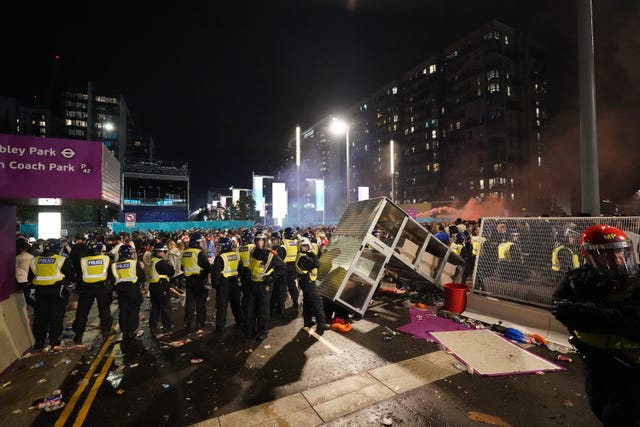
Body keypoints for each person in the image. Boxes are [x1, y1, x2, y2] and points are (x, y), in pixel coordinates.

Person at [552, 224, 640, 425]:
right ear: (591, 257)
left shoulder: (636, 279)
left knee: (619, 416)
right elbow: (560, 308)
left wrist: (586, 312)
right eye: (608, 253)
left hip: (632, 365)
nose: (617, 257)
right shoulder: (577, 279)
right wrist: (604, 313)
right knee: (598, 404)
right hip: (596, 361)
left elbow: (631, 320)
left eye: (620, 250)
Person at [28, 238, 75, 350]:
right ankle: (54, 341)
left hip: (40, 292)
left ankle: (39, 341)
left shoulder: (35, 260)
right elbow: (70, 276)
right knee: (56, 316)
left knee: (40, 317)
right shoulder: (61, 260)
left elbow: (30, 278)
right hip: (57, 292)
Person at [240, 232, 286, 340]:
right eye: (257, 240)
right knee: (250, 309)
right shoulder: (252, 252)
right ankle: (250, 330)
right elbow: (250, 266)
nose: (259, 242)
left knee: (263, 310)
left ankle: (262, 332)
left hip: (265, 286)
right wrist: (246, 274)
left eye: (261, 240)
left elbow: (282, 267)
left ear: (265, 242)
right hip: (252, 284)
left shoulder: (271, 254)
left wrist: (271, 277)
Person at [72, 239, 113, 344]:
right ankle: (106, 331)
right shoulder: (106, 259)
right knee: (104, 311)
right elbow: (110, 274)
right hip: (102, 288)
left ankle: (78, 335)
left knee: (82, 313)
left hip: (87, 289)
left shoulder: (83, 260)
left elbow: (78, 275)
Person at [111, 244, 146, 340]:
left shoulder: (115, 265)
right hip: (132, 289)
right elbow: (142, 276)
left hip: (120, 290)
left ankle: (124, 331)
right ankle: (132, 330)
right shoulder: (133, 263)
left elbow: (112, 278)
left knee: (123, 311)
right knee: (133, 311)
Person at [295, 237, 330, 331]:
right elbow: (316, 264)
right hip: (308, 282)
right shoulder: (303, 257)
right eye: (303, 246)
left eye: (306, 246)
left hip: (306, 281)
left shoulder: (303, 255)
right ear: (299, 247)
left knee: (307, 301)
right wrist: (314, 255)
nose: (305, 248)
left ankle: (307, 321)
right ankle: (321, 323)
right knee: (317, 301)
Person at [211, 237, 243, 332]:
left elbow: (215, 274)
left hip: (223, 284)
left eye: (220, 246)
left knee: (222, 306)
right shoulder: (236, 255)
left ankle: (220, 326)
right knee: (236, 304)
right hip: (234, 282)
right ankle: (240, 321)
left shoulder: (220, 258)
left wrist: (215, 285)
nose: (218, 248)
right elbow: (240, 269)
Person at [181, 232, 212, 331]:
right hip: (199, 280)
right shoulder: (199, 253)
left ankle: (190, 323)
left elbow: (182, 267)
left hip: (189, 280)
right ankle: (200, 322)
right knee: (200, 303)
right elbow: (207, 267)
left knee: (190, 303)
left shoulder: (185, 252)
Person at [146, 242, 175, 336]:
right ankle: (167, 327)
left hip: (153, 286)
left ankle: (153, 327)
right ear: (161, 252)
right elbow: (171, 272)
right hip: (161, 287)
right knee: (165, 308)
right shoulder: (161, 263)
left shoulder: (152, 261)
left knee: (155, 308)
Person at [16, 237, 35, 308]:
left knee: (24, 296)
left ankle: (35, 306)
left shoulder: (18, 257)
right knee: (27, 294)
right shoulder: (32, 256)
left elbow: (15, 268)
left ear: (20, 249)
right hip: (29, 279)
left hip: (20, 279)